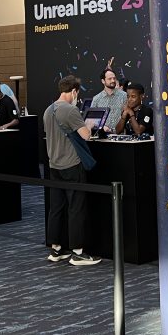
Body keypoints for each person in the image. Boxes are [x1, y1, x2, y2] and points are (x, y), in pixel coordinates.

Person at [43, 75, 101, 266]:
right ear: (74, 91)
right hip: (72, 165)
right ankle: (78, 252)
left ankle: (56, 249)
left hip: (54, 166)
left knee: (56, 208)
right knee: (76, 208)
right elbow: (85, 136)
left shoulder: (48, 110)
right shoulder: (71, 110)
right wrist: (89, 125)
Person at [90, 68, 127, 132]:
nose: (113, 80)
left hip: (120, 135)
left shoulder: (124, 95)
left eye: (114, 78)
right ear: (103, 81)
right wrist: (101, 126)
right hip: (103, 135)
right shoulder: (96, 99)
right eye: (109, 79)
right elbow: (92, 119)